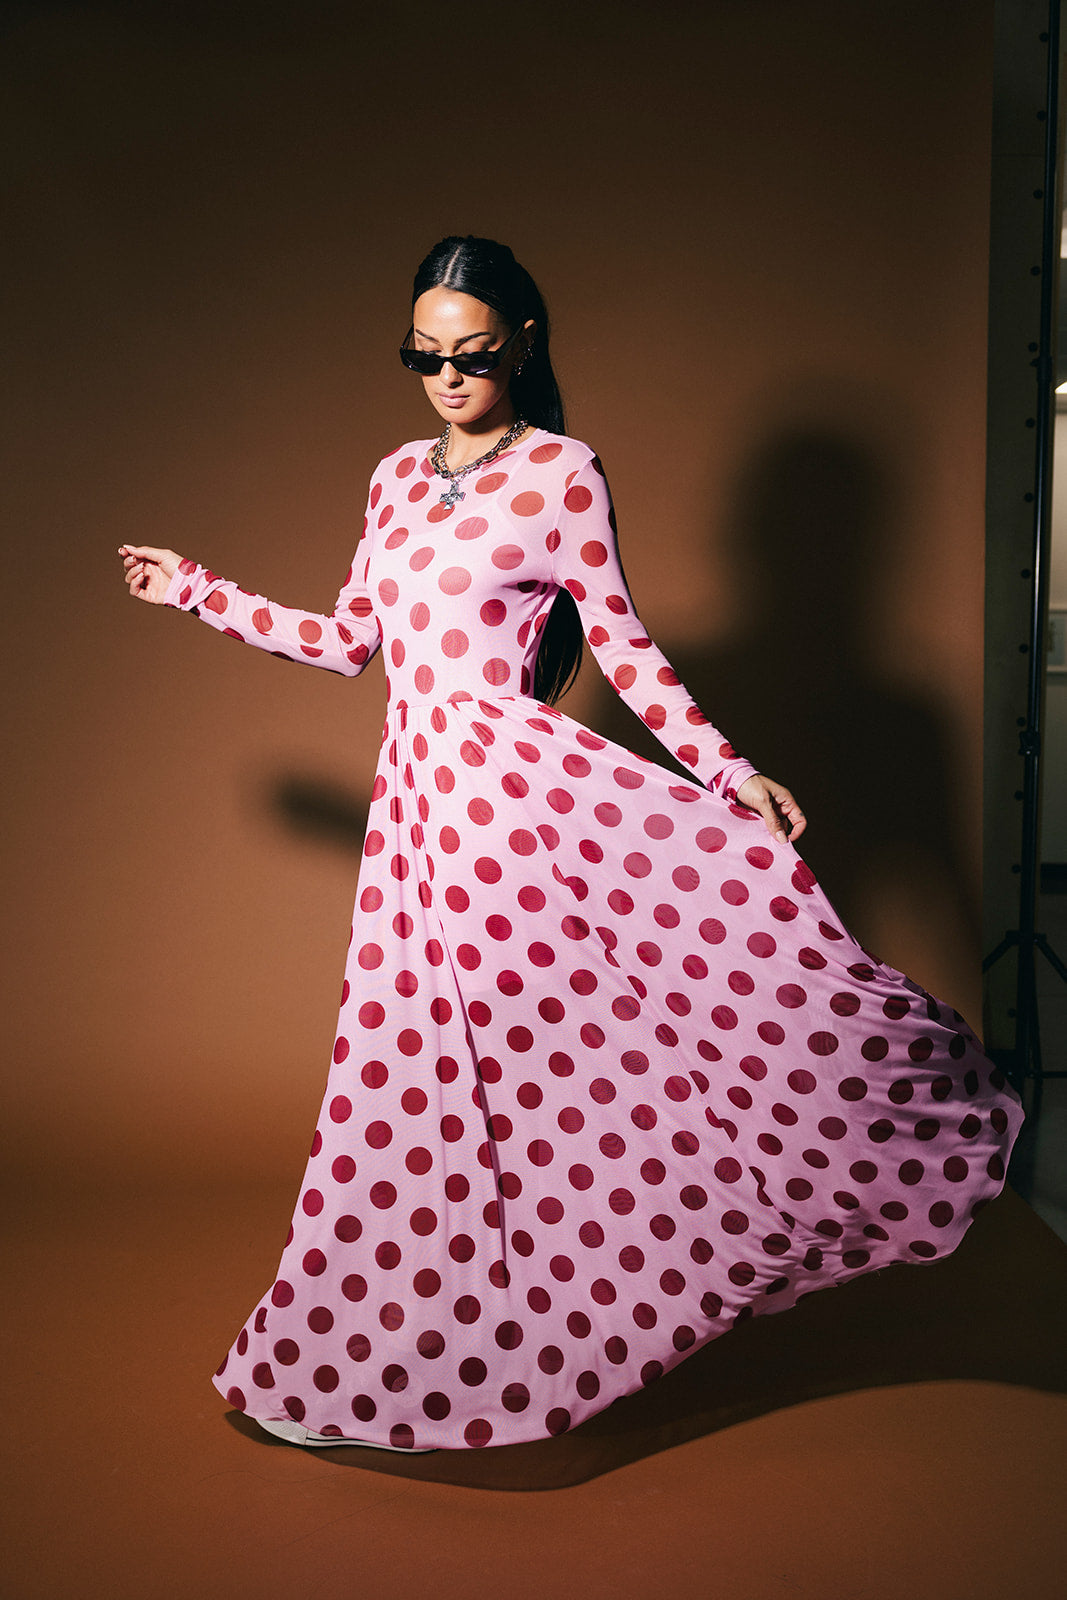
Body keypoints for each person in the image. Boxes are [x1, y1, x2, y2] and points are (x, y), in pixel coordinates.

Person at [119, 234, 1021, 1453]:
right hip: (410, 829)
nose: (444, 378)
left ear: (522, 345)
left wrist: (725, 769)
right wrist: (197, 589)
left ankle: (573, 1324)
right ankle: (375, 1359)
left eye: (470, 355)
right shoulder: (391, 479)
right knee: (402, 1094)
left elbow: (625, 648)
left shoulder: (559, 473)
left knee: (539, 1087)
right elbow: (346, 645)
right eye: (421, 356)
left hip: (512, 819)